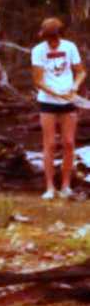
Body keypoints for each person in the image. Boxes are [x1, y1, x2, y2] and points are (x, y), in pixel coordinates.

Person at [33, 17, 85, 199]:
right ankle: (49, 187)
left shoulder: (70, 47)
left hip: (68, 102)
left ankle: (66, 186)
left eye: (53, 39)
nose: (51, 43)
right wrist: (56, 93)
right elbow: (38, 81)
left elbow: (81, 71)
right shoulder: (38, 51)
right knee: (50, 144)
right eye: (48, 40)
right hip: (48, 102)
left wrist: (75, 87)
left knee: (69, 143)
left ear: (59, 36)